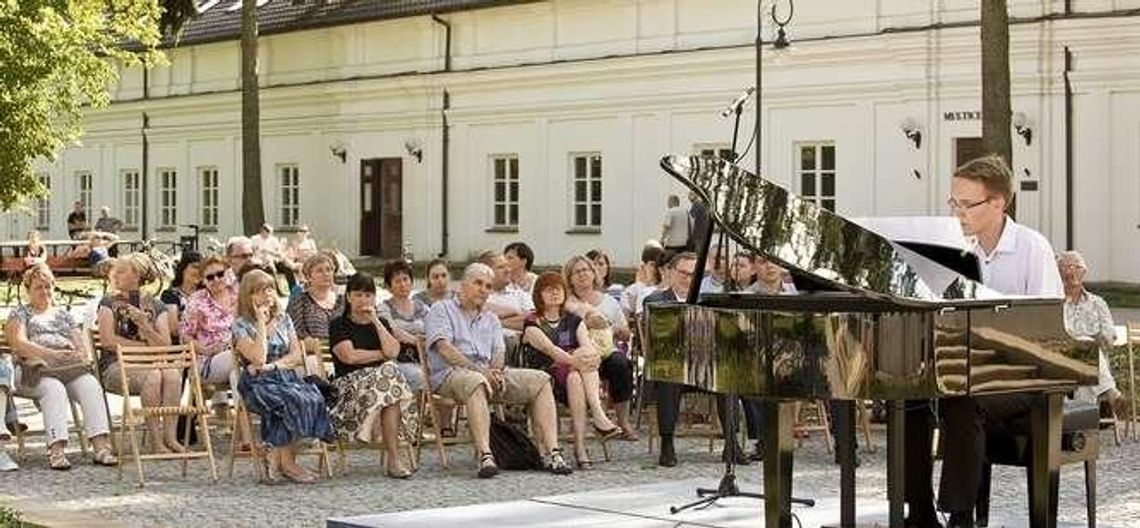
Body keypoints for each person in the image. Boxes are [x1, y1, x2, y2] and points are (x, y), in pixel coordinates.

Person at [907, 155, 1064, 528]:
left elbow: (1046, 330)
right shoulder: (959, 252)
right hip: (971, 370)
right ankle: (919, 512)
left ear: (998, 203)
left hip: (1027, 377)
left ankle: (959, 516)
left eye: (966, 203)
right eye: (953, 202)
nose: (957, 212)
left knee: (965, 397)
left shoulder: (1032, 247)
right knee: (909, 396)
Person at [424, 263, 573, 478]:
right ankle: (486, 455)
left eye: (487, 286)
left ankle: (552, 453)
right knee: (476, 381)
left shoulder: (491, 318)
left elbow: (499, 352)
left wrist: (495, 370)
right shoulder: (442, 309)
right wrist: (482, 372)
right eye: (478, 283)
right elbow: (445, 349)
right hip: (451, 374)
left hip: (488, 374)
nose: (483, 289)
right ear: (463, 285)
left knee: (541, 380)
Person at [5, 264, 118, 470]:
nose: (45, 292)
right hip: (32, 371)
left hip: (66, 368)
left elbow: (81, 348)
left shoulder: (63, 315)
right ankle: (56, 449)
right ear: (28, 290)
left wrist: (72, 352)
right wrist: (51, 353)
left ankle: (101, 447)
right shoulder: (20, 313)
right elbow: (19, 344)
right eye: (39, 287)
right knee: (54, 389)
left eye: (48, 287)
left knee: (91, 385)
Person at [645, 252, 747, 467]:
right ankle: (667, 444)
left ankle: (731, 443)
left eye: (693, 274)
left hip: (704, 365)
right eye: (683, 272)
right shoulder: (655, 300)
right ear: (671, 272)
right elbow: (656, 341)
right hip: (671, 366)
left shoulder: (707, 302)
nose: (688, 278)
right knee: (668, 377)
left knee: (727, 375)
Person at [232, 269, 333, 484]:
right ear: (247, 296)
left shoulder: (284, 319)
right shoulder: (241, 325)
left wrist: (272, 367)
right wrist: (260, 323)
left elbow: (296, 356)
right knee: (289, 401)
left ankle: (274, 459)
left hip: (283, 377)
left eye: (269, 289)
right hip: (256, 385)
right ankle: (289, 464)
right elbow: (257, 358)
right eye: (259, 291)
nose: (267, 294)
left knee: (312, 397)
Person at [522, 272, 623, 469]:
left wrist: (590, 356)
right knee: (576, 371)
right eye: (548, 289)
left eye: (558, 289)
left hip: (573, 375)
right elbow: (550, 351)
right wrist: (579, 360)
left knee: (577, 375)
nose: (554, 293)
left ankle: (581, 442)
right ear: (539, 294)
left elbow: (589, 348)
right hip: (544, 376)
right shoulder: (533, 321)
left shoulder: (574, 320)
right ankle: (596, 419)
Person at [327, 273, 418, 478]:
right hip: (349, 388)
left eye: (368, 295)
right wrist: (380, 355)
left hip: (382, 388)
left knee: (390, 388)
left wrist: (375, 321)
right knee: (390, 375)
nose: (363, 300)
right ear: (348, 297)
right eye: (358, 295)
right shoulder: (338, 325)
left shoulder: (382, 322)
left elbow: (393, 352)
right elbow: (349, 357)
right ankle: (394, 459)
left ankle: (393, 459)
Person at [96, 253, 182, 454]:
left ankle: (169, 437)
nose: (114, 274)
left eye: (121, 270)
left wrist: (145, 325)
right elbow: (108, 341)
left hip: (151, 364)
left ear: (137, 275)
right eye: (115, 271)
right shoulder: (108, 302)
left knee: (172, 375)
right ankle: (155, 440)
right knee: (153, 376)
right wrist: (145, 349)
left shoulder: (156, 305)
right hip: (116, 367)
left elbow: (165, 345)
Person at [563, 255, 637, 440]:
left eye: (586, 270)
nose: (582, 275)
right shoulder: (567, 302)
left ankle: (623, 421)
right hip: (580, 352)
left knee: (621, 364)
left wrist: (613, 328)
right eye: (577, 272)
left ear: (593, 273)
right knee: (582, 365)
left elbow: (626, 333)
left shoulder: (609, 301)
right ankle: (589, 422)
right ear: (570, 278)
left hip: (606, 351)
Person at [1058, 251, 1126, 416]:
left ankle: (1079, 426)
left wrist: (1094, 341)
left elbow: (1109, 336)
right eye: (1066, 267)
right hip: (1061, 359)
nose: (1071, 271)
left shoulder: (1098, 303)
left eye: (1076, 267)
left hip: (1093, 363)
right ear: (1058, 273)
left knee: (1087, 359)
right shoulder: (1055, 302)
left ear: (1084, 272)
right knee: (1084, 346)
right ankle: (1110, 393)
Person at [180, 256, 238, 390]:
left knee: (237, 375)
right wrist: (206, 350)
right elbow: (185, 336)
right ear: (203, 280)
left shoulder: (238, 295)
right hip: (207, 361)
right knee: (237, 360)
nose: (216, 279)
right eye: (210, 277)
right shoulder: (197, 301)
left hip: (239, 355)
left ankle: (243, 410)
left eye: (220, 274)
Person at [286, 254, 345, 374]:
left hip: (345, 354)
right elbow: (297, 334)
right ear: (309, 276)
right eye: (319, 271)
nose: (326, 274)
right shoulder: (300, 300)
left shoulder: (343, 300)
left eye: (329, 270)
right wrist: (327, 348)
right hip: (312, 357)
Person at [378, 260, 430, 392]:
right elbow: (393, 331)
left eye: (405, 279)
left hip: (425, 358)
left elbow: (434, 330)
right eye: (397, 281)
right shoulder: (384, 308)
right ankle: (415, 412)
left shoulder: (421, 306)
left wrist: (419, 341)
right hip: (399, 360)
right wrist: (417, 341)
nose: (403, 284)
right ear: (389, 287)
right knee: (419, 377)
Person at [161, 251, 203, 340]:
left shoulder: (206, 294)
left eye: (202, 268)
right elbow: (174, 329)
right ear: (183, 269)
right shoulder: (170, 295)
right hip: (182, 347)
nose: (199, 271)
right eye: (195, 267)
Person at [621, 243, 664, 318]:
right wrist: (639, 286)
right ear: (644, 266)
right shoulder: (631, 290)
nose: (656, 269)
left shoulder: (666, 289)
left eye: (659, 264)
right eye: (652, 265)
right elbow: (625, 318)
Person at [252, 223, 295, 292]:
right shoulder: (255, 239)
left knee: (288, 269)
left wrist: (269, 251)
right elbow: (252, 251)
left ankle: (293, 289)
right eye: (265, 232)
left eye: (269, 232)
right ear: (262, 231)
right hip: (259, 261)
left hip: (273, 260)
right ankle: (277, 290)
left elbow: (279, 254)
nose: (267, 234)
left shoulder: (273, 240)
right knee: (270, 270)